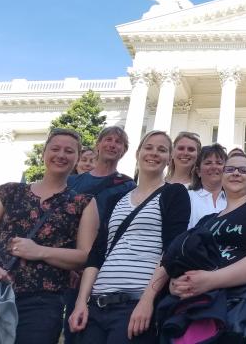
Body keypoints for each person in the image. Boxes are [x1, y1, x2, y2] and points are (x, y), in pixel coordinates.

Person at [69, 130, 190, 343]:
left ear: (169, 159)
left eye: (161, 150)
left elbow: (171, 251)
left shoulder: (175, 193)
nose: (153, 153)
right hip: (97, 304)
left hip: (135, 304)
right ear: (137, 153)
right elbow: (97, 253)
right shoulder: (117, 198)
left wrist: (147, 300)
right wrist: (81, 301)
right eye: (149, 147)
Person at [0, 128, 99, 344]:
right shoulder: (9, 192)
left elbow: (86, 255)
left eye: (69, 151)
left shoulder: (83, 203)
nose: (61, 155)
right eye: (55, 149)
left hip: (42, 303)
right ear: (44, 153)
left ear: (77, 158)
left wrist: (39, 251)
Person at [170, 153, 246, 344]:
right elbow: (185, 259)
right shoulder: (206, 220)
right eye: (229, 169)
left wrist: (210, 280)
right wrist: (177, 284)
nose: (236, 173)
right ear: (222, 177)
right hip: (203, 313)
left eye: (244, 170)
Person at [69, 126, 135, 219]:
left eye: (118, 142)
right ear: (98, 145)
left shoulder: (128, 186)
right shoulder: (71, 181)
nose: (112, 145)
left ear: (124, 150)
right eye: (108, 139)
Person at [187, 143, 227, 229]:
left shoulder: (234, 200)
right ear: (198, 171)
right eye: (208, 163)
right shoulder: (187, 197)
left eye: (219, 163)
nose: (214, 167)